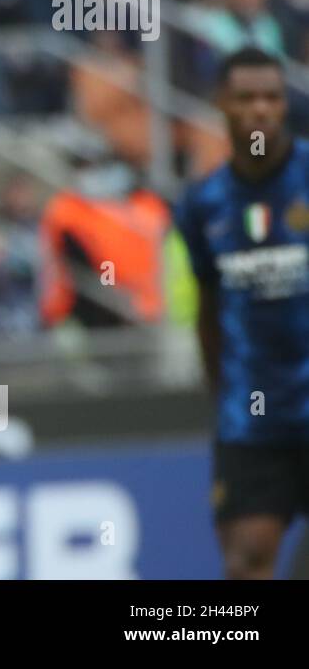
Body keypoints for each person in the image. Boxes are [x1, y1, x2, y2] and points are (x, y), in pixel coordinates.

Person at [174, 47, 309, 578]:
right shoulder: (202, 204)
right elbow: (208, 310)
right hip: (251, 419)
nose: (260, 110)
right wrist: (222, 393)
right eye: (246, 98)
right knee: (248, 557)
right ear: (222, 104)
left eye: (272, 98)